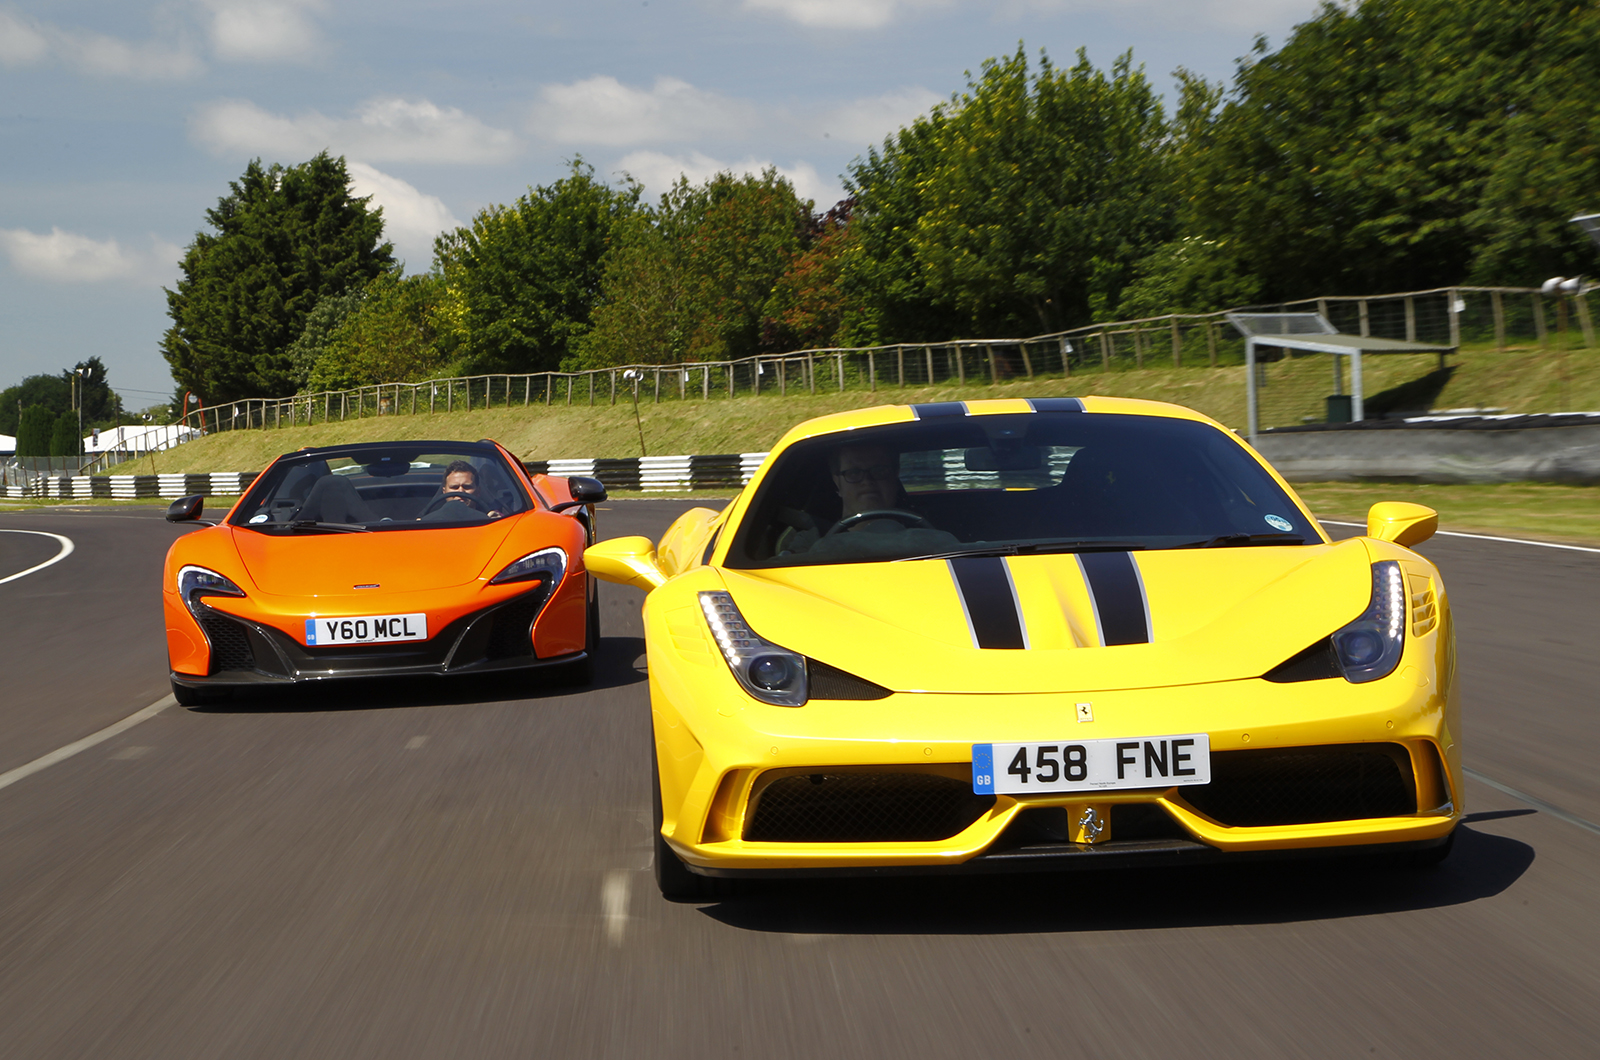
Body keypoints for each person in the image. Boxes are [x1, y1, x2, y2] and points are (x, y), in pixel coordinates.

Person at [432, 460, 503, 519]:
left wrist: (497, 523)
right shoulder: (430, 520)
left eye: (467, 487)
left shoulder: (491, 516)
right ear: (444, 491)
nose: (460, 491)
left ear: (478, 491)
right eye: (454, 487)